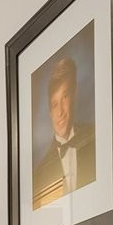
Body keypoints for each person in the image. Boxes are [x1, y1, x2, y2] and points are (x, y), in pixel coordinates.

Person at [31, 55, 96, 208]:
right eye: (54, 104)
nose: (60, 112)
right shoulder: (39, 173)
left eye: (65, 97)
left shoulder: (96, 137)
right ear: (50, 113)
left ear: (74, 95)